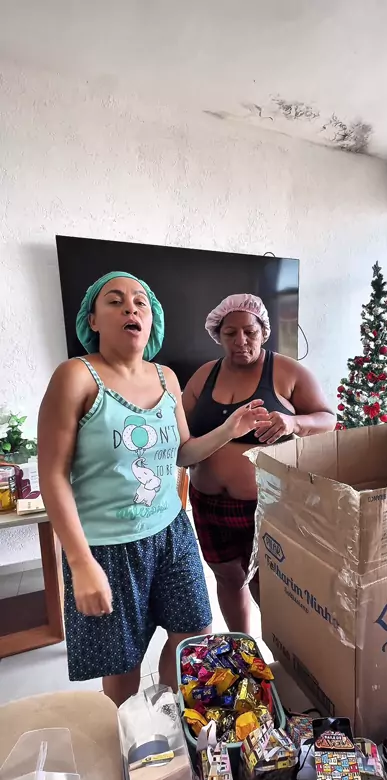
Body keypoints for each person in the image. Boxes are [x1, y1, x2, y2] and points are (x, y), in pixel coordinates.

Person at [37, 273, 270, 707]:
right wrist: (80, 562)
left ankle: (163, 712)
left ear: (151, 319)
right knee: (122, 664)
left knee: (194, 634)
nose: (131, 308)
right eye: (115, 301)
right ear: (93, 319)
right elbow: (52, 474)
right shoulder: (76, 376)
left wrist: (229, 429)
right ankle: (128, 731)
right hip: (107, 546)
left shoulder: (166, 377)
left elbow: (183, 452)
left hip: (172, 532)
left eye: (140, 302)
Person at [183, 293, 336, 634]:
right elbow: (182, 432)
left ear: (264, 331)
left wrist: (293, 422)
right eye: (230, 333)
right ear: (217, 335)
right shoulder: (204, 376)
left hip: (266, 506)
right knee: (227, 577)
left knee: (269, 582)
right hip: (208, 503)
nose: (240, 341)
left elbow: (328, 419)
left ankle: (286, 650)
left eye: (249, 332)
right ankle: (242, 647)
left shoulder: (287, 371)